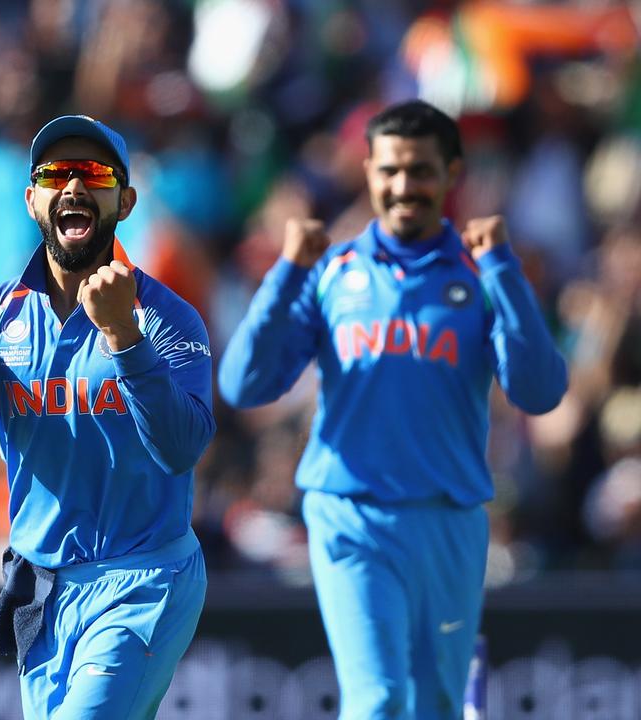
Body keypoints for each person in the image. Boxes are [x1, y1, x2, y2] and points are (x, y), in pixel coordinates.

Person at [218, 99, 568, 719]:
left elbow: (539, 391)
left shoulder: (481, 274)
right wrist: (287, 272)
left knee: (434, 705)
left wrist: (506, 272)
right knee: (378, 699)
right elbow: (245, 384)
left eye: (421, 171)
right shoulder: (332, 272)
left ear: (451, 173)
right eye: (389, 171)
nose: (404, 187)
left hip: (448, 517)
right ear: (369, 172)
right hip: (349, 514)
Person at [0, 114, 214, 719]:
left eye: (93, 173)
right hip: (43, 588)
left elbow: (181, 447)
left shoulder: (169, 318)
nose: (73, 186)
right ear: (31, 200)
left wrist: (124, 336)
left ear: (124, 200)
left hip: (145, 577)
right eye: (55, 173)